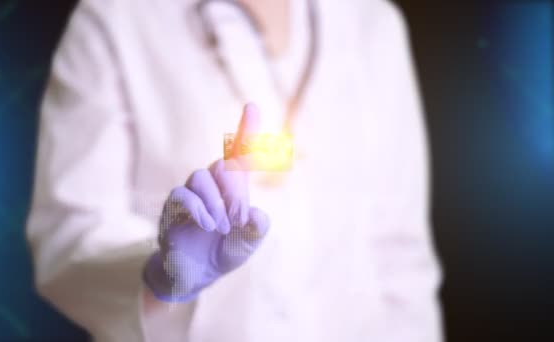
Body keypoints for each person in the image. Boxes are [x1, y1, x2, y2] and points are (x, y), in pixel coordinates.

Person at [26, 0, 444, 341]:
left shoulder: (373, 24)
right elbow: (68, 236)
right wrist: (162, 274)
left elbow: (401, 259)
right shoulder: (114, 21)